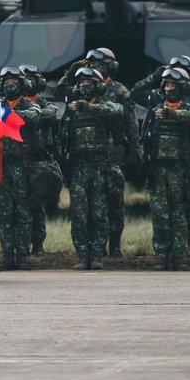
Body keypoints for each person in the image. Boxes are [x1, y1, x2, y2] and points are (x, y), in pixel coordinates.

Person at [141, 67, 190, 271]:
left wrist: (175, 114)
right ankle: (162, 256)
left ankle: (179, 258)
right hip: (158, 169)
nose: (169, 88)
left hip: (180, 169)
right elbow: (137, 93)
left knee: (179, 214)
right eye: (166, 84)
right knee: (160, 214)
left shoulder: (188, 108)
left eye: (173, 84)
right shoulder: (156, 108)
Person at [60, 67, 122, 270]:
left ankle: (97, 255)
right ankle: (82, 255)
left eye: (88, 82)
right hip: (78, 167)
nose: (84, 85)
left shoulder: (104, 106)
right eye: (82, 82)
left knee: (98, 212)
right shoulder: (71, 109)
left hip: (99, 167)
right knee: (79, 214)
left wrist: (88, 108)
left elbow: (117, 110)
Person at [0, 66, 41, 271]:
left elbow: (31, 117)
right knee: (4, 213)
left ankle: (22, 256)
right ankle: (7, 257)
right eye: (7, 82)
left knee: (22, 212)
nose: (10, 85)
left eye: (14, 81)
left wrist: (6, 115)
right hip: (1, 166)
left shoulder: (31, 106)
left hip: (22, 165)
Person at [20, 64, 63, 254]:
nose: (28, 82)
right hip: (18, 160)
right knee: (20, 206)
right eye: (24, 78)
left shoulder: (43, 104)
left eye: (31, 78)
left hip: (38, 161)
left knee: (37, 206)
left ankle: (37, 246)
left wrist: (27, 114)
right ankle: (20, 246)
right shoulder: (13, 104)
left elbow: (51, 114)